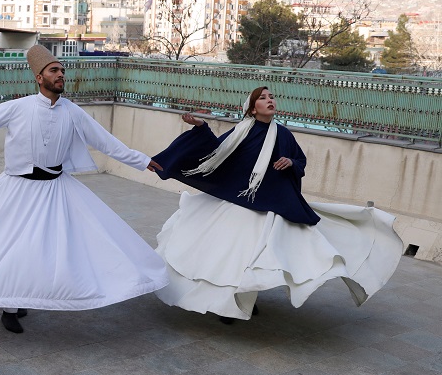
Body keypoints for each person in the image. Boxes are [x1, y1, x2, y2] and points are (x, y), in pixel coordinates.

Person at [0, 44, 169, 333]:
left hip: (56, 190)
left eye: (62, 70)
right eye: (54, 70)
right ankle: (10, 308)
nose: (61, 74)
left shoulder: (72, 112)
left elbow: (105, 142)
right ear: (40, 77)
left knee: (44, 248)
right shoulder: (19, 106)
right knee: (12, 246)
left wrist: (142, 160)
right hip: (17, 190)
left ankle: (29, 295)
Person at [152, 86, 403, 322]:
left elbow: (300, 160)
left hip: (268, 205)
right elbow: (216, 152)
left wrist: (291, 163)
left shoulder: (282, 134)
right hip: (238, 203)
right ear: (252, 109)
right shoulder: (242, 131)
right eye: (262, 98)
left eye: (271, 96)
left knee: (253, 259)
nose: (269, 100)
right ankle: (228, 305)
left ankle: (241, 300)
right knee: (231, 256)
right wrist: (202, 127)